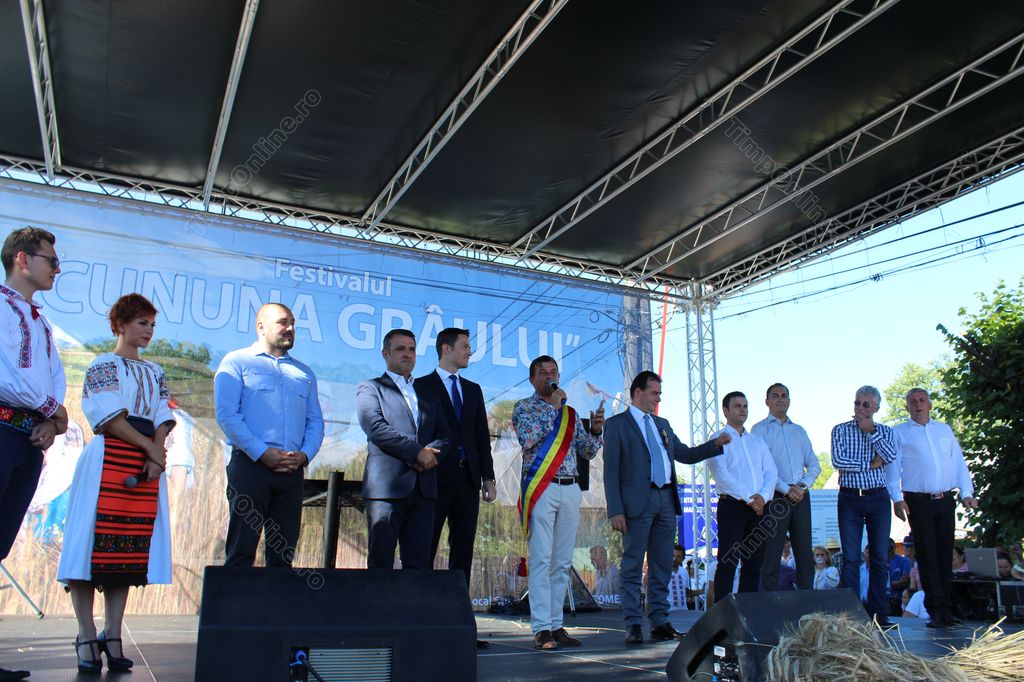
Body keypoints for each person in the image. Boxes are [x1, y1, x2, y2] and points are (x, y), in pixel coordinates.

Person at [57, 294, 174, 673]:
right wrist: (150, 449)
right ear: (121, 325)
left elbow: (162, 414)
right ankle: (85, 632)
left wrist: (157, 451)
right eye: (142, 323)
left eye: (152, 325)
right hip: (108, 455)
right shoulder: (103, 364)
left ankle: (113, 633)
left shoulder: (155, 371)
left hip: (144, 462)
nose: (148, 330)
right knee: (89, 545)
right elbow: (107, 416)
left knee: (127, 548)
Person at [603, 370, 728, 643]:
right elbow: (611, 471)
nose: (658, 399)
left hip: (666, 500)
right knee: (633, 564)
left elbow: (685, 454)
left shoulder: (662, 424)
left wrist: (714, 445)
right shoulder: (617, 425)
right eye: (654, 393)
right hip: (637, 502)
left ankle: (659, 620)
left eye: (659, 394)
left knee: (662, 564)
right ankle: (633, 623)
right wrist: (616, 510)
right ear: (638, 392)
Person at [1, 227, 68, 681]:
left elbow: (55, 381)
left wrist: (53, 420)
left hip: (27, 441)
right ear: (23, 259)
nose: (56, 269)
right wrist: (51, 410)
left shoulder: (41, 323)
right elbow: (6, 376)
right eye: (51, 261)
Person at [215, 303, 324, 567]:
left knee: (283, 556)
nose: (290, 328)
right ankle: (236, 596)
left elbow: (315, 422)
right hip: (250, 467)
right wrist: (261, 452)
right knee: (241, 552)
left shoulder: (304, 373)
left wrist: (304, 455)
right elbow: (227, 415)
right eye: (283, 322)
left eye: (293, 323)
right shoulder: (236, 362)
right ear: (261, 327)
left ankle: (277, 597)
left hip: (291, 472)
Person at [513, 355, 603, 650]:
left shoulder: (570, 413)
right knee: (541, 559)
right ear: (532, 379)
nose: (549, 376)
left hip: (570, 487)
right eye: (543, 372)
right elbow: (527, 439)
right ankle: (541, 628)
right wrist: (552, 409)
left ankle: (555, 623)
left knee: (562, 562)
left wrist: (596, 431)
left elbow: (587, 451)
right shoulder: (524, 408)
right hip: (543, 487)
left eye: (553, 371)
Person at [415, 327, 495, 646]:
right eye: (464, 346)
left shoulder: (473, 390)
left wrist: (488, 477)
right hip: (433, 477)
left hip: (468, 481)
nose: (469, 352)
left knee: (462, 553)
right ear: (446, 348)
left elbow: (481, 437)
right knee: (424, 548)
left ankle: (459, 626)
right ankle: (419, 625)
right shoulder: (421, 385)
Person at [358, 329, 449, 570]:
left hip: (424, 490)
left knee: (419, 566)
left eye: (411, 349)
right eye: (400, 349)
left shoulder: (429, 393)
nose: (407, 354)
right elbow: (376, 428)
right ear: (385, 353)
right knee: (380, 564)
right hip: (386, 490)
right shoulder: (371, 388)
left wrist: (429, 454)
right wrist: (416, 453)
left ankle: (413, 599)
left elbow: (444, 434)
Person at [890, 388, 977, 628]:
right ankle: (936, 609)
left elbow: (958, 462)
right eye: (912, 401)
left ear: (929, 404)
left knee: (945, 553)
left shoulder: (944, 430)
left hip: (945, 499)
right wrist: (896, 498)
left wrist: (967, 493)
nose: (918, 404)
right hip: (918, 500)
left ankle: (948, 608)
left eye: (922, 400)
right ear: (907, 407)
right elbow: (892, 467)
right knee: (927, 555)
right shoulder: (899, 432)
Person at [831, 385, 898, 627]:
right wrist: (870, 464)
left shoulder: (885, 431)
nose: (860, 408)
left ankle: (879, 614)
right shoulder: (840, 429)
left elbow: (890, 456)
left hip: (878, 498)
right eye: (857, 403)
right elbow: (838, 461)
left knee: (879, 557)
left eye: (866, 404)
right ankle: (852, 617)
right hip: (850, 498)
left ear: (876, 408)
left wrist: (871, 432)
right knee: (851, 558)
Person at [708, 391, 777, 603]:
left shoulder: (757, 441)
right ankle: (723, 614)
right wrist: (750, 498)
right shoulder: (717, 439)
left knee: (754, 564)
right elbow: (722, 475)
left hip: (759, 508)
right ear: (725, 410)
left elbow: (771, 472)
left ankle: (748, 611)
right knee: (728, 562)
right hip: (733, 507)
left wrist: (762, 497)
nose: (742, 409)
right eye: (737, 406)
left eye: (745, 405)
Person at [751, 383, 820, 591]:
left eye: (784, 395)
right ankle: (770, 602)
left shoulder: (799, 431)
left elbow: (814, 465)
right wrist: (786, 489)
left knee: (804, 553)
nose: (780, 399)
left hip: (801, 495)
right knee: (771, 554)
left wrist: (801, 486)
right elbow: (762, 467)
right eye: (775, 395)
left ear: (789, 401)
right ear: (767, 401)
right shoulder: (759, 430)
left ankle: (807, 600)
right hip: (774, 496)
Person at [889, 538, 911, 616]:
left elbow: (904, 581)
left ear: (894, 546)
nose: (889, 548)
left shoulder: (904, 561)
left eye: (890, 546)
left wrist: (887, 584)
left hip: (898, 599)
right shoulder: (881, 562)